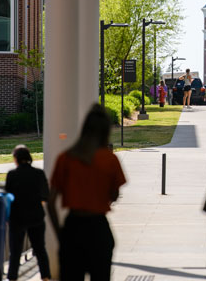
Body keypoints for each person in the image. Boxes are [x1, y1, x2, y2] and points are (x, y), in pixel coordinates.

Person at [48, 104, 127, 281]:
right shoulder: (110, 159)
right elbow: (113, 195)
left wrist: (60, 233)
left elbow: (51, 201)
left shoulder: (66, 158)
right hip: (98, 229)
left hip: (73, 227)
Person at [5, 145, 51, 281]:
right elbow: (46, 196)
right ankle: (46, 277)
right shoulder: (39, 174)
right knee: (40, 249)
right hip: (36, 216)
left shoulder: (12, 175)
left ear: (16, 159)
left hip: (17, 218)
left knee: (15, 252)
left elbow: (9, 196)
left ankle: (12, 277)